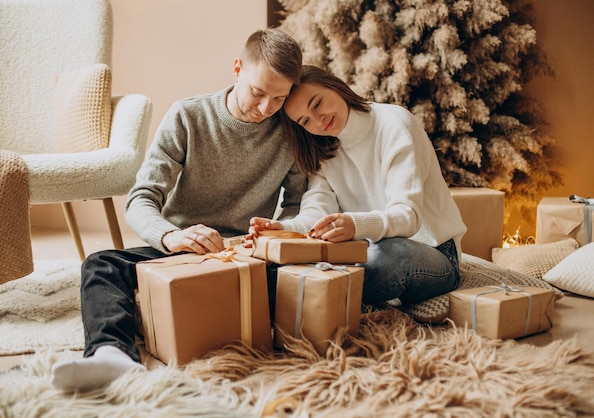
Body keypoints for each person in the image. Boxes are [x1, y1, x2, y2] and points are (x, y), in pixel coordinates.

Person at [51, 28, 307, 392]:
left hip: (247, 260)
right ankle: (113, 355)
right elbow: (141, 198)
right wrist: (171, 236)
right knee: (101, 266)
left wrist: (274, 236)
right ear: (237, 69)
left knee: (313, 277)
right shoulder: (188, 115)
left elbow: (299, 205)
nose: (266, 108)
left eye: (279, 98)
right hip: (179, 251)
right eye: (258, 92)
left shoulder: (293, 132)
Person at [250, 65, 467, 308]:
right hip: (361, 252)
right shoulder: (323, 148)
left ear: (333, 84)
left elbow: (409, 216)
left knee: (383, 257)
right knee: (279, 264)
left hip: (434, 251)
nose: (318, 120)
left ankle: (308, 302)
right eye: (305, 120)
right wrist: (282, 228)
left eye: (317, 103)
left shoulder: (395, 124)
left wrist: (355, 225)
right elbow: (316, 214)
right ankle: (303, 300)